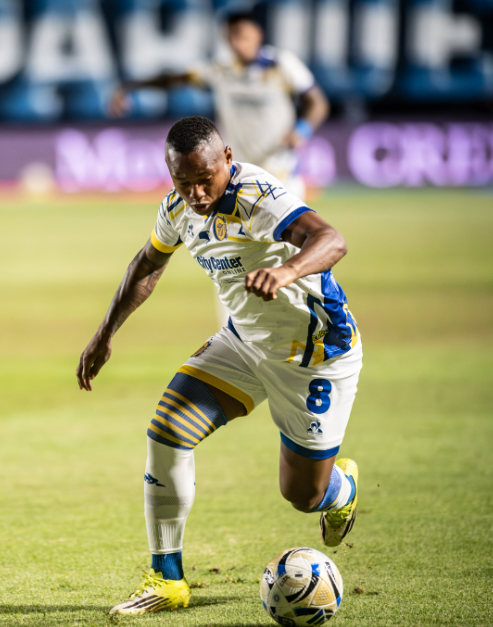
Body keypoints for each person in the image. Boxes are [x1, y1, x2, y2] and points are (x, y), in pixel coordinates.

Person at [76, 116, 361, 616]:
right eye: (183, 183)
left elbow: (331, 239)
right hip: (244, 344)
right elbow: (146, 265)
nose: (197, 194)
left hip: (312, 355)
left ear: (227, 158)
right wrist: (105, 333)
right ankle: (167, 580)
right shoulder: (177, 208)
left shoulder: (259, 196)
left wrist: (288, 268)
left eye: (204, 180)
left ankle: (341, 489)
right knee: (167, 429)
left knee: (301, 494)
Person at [110, 10, 329, 199]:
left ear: (257, 35)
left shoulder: (282, 64)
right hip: (239, 173)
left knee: (288, 241)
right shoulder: (221, 70)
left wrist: (302, 130)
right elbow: (173, 79)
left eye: (242, 36)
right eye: (231, 37)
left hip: (280, 168)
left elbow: (317, 102)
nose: (236, 43)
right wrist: (130, 86)